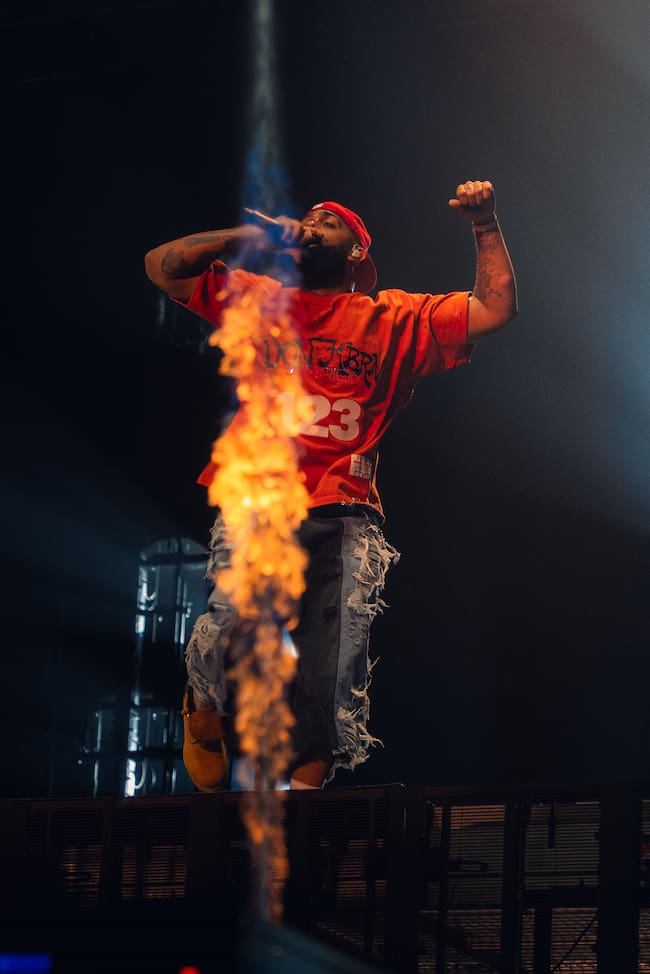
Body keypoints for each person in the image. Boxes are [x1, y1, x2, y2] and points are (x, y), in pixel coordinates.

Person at [144, 180, 518, 791]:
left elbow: (495, 308)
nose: (311, 226)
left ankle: (311, 786)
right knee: (231, 616)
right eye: (307, 219)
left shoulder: (394, 317)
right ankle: (203, 706)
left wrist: (485, 224)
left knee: (336, 657)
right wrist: (252, 236)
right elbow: (163, 268)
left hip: (345, 506)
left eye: (328, 223)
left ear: (355, 253)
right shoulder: (261, 301)